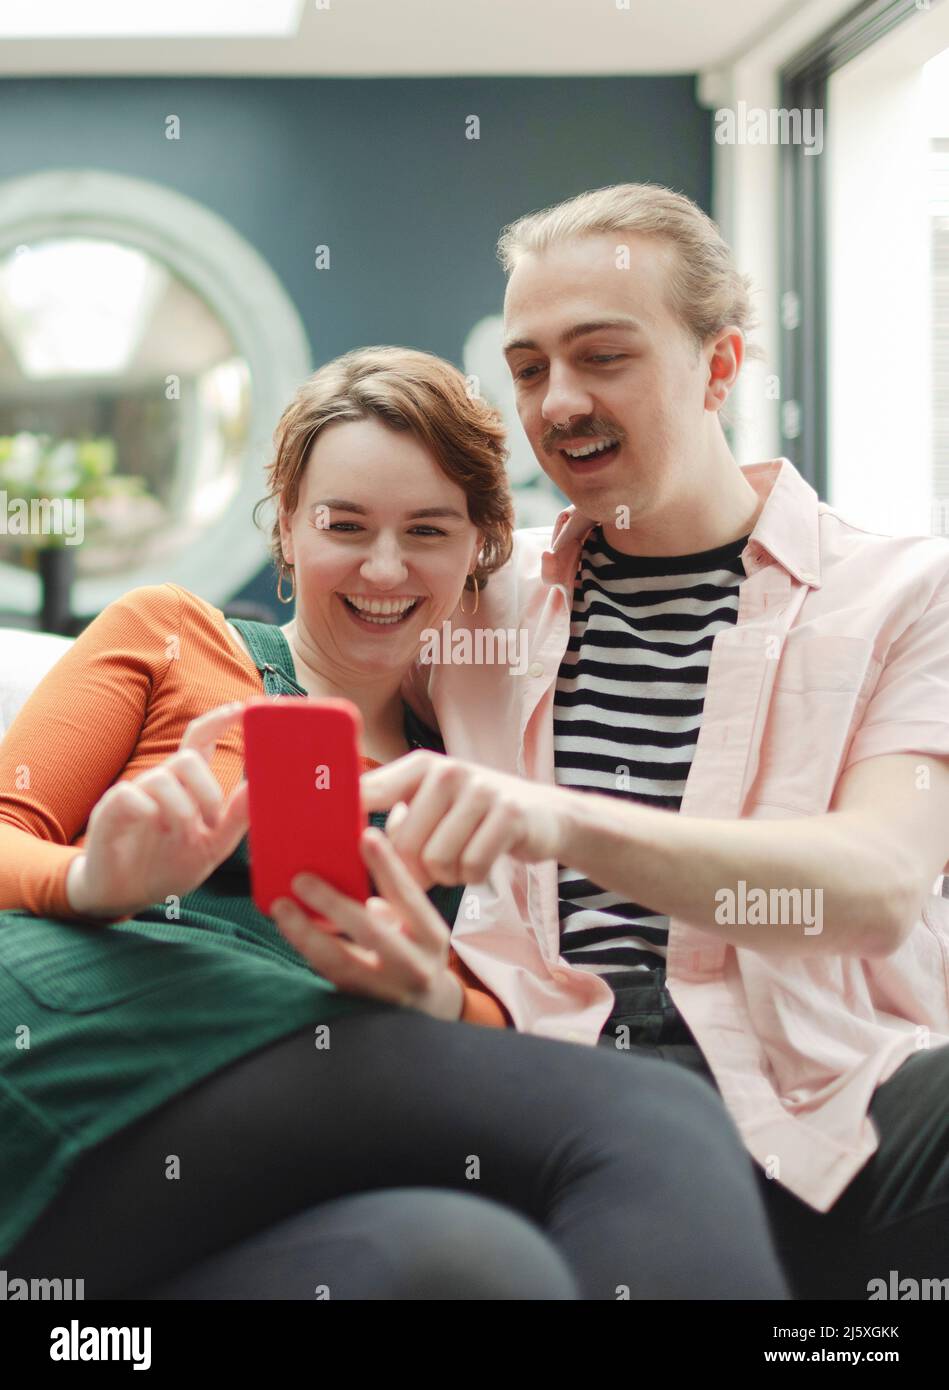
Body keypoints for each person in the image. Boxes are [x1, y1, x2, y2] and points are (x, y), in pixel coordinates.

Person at [0, 345, 789, 1300]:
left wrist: (435, 997)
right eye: (344, 524)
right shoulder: (173, 635)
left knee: (477, 1267)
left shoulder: (482, 762)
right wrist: (94, 882)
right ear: (287, 528)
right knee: (658, 1119)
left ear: (479, 549)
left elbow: (507, 1001)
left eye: (427, 528)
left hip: (236, 1154)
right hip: (90, 1034)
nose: (384, 566)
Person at [284, 187, 949, 1301]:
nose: (560, 402)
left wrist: (562, 822)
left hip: (836, 1088)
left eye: (602, 356)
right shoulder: (476, 590)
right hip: (545, 1078)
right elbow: (308, 656)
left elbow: (879, 886)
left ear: (719, 365)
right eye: (530, 366)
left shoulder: (899, 592)